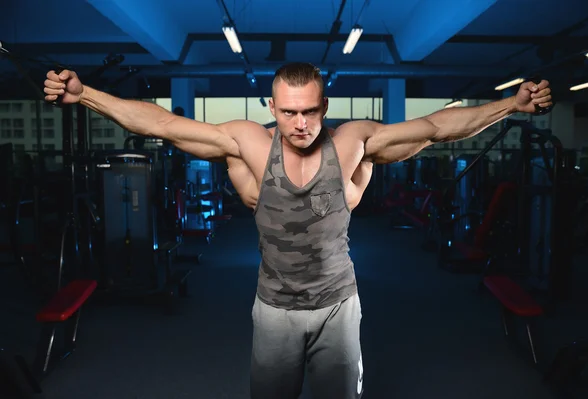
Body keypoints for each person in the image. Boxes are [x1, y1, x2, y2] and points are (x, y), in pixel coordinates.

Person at [43, 63, 552, 399]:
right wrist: (85, 94)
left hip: (338, 306)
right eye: (288, 111)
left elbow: (438, 127)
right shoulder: (247, 143)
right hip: (275, 310)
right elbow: (161, 125)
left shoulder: (352, 141)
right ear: (271, 108)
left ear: (324, 108)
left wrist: (512, 105)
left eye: (310, 111)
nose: (301, 122)